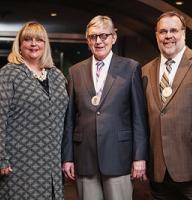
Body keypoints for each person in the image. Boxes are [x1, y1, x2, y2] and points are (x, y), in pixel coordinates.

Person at [62, 15, 148, 200]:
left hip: (119, 155)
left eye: (104, 36)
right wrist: (68, 157)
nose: (98, 41)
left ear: (113, 38)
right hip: (84, 157)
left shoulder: (130, 68)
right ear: (87, 41)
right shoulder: (75, 72)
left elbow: (138, 117)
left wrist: (139, 156)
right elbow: (69, 119)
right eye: (93, 37)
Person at [0, 21, 69, 200]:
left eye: (39, 39)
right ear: (19, 44)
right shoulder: (9, 74)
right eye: (28, 39)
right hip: (19, 163)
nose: (33, 44)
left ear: (45, 44)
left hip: (52, 163)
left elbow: (66, 119)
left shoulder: (57, 75)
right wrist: (1, 158)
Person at [142, 11, 192, 199]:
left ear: (184, 33)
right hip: (158, 170)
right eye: (163, 31)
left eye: (173, 30)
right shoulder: (145, 71)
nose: (168, 36)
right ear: (156, 35)